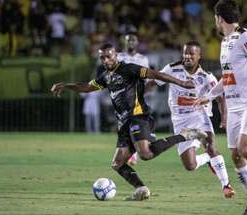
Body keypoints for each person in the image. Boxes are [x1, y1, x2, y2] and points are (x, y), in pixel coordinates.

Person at [51, 43, 207, 201]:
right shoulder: (106, 77)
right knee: (117, 164)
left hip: (138, 117)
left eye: (109, 56)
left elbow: (156, 74)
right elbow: (86, 87)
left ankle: (186, 135)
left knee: (145, 154)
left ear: (116, 55)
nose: (106, 60)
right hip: (124, 124)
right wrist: (66, 85)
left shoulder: (129, 69)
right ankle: (141, 189)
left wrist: (182, 83)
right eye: (102, 58)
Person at [195, 1, 247, 214]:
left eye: (215, 18)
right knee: (236, 155)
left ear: (219, 18)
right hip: (234, 105)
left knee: (245, 149)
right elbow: (228, 77)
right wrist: (209, 96)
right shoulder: (226, 41)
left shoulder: (244, 37)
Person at [150, 41, 235, 198]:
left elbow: (220, 98)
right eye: (185, 53)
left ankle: (226, 185)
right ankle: (208, 159)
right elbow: (154, 82)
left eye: (191, 54)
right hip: (180, 121)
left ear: (199, 56)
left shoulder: (206, 77)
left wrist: (224, 118)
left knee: (210, 144)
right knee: (190, 165)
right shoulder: (172, 69)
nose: (187, 56)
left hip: (199, 116)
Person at [118, 31, 150, 165]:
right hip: (123, 95)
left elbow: (146, 77)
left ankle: (132, 154)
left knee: (135, 123)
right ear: (124, 42)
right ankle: (130, 153)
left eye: (133, 40)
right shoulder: (119, 57)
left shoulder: (143, 59)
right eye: (128, 40)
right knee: (124, 124)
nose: (130, 42)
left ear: (137, 43)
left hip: (138, 95)